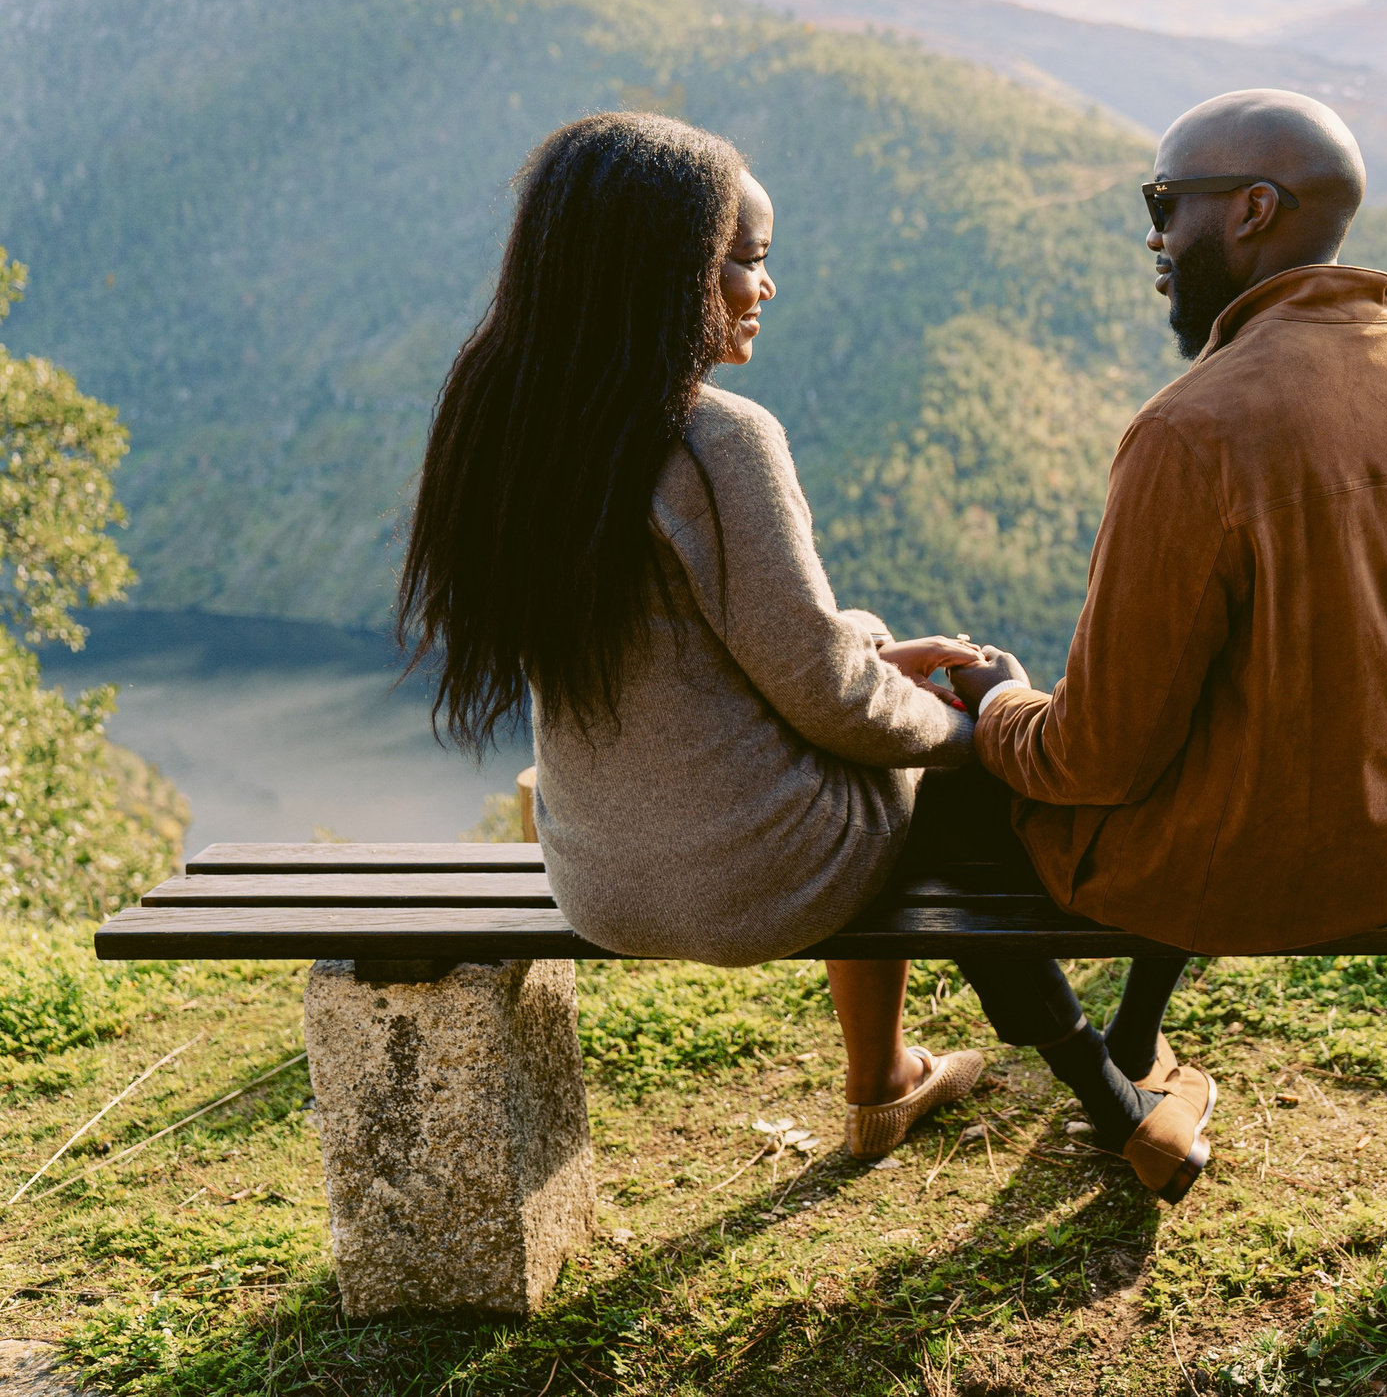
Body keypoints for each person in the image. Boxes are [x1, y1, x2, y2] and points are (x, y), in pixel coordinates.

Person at [397, 111, 996, 1162]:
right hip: (756, 881)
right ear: (668, 269)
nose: (765, 288)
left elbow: (698, 657)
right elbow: (829, 698)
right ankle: (903, 1073)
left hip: (596, 880)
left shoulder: (507, 415)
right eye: (749, 262)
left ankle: (890, 1077)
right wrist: (972, 730)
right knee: (919, 726)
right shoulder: (721, 439)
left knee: (865, 640)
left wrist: (861, 655)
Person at [944, 88, 1387, 1195]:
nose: (1153, 236)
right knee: (1211, 723)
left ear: (1253, 209)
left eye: (1165, 203)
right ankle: (1133, 1043)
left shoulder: (1190, 429)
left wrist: (997, 704)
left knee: (951, 793)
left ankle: (1113, 1109)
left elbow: (1097, 756)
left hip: (1253, 869)